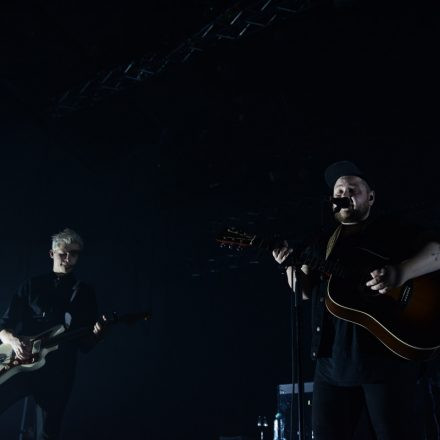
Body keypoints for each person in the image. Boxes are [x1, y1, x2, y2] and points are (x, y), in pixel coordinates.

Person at [273, 160, 440, 440]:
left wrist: (400, 272)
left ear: (370, 197)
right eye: (339, 189)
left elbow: (437, 253)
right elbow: (303, 292)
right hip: (331, 365)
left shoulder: (394, 230)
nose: (344, 193)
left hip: (385, 361)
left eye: (353, 188)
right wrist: (288, 265)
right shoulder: (321, 240)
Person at [0, 228, 104, 440]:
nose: (68, 258)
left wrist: (98, 333)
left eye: (74, 253)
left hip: (58, 372)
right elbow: (4, 324)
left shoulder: (84, 292)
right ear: (51, 254)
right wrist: (11, 338)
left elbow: (84, 345)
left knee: (47, 435)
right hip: (20, 365)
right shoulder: (31, 285)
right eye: (63, 253)